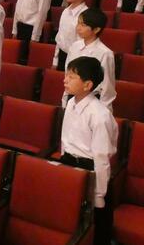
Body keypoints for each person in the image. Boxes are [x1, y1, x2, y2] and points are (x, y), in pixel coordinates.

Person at [60, 56, 118, 245]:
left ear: (87, 85)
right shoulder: (71, 103)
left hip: (91, 169)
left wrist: (99, 195)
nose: (65, 80)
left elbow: (101, 158)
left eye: (71, 77)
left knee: (96, 226)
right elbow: (65, 138)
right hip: (69, 163)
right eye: (66, 75)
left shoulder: (100, 115)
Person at [63, 8, 116, 109]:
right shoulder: (75, 46)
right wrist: (65, 99)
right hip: (72, 96)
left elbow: (107, 86)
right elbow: (68, 73)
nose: (78, 28)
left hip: (91, 99)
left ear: (96, 29)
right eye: (78, 23)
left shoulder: (105, 53)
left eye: (83, 25)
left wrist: (104, 110)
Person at [53, 0, 90, 71]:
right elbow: (60, 36)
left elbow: (82, 44)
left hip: (75, 59)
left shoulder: (85, 15)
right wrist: (55, 60)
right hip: (62, 55)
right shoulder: (66, 11)